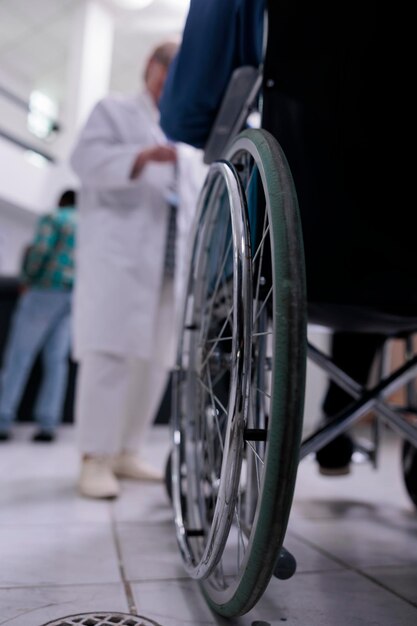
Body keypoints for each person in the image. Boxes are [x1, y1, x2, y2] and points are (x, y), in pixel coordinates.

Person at [159, 1, 414, 474]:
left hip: (312, 244)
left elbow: (184, 117)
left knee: (305, 221)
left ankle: (220, 434)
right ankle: (344, 411)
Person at [70, 40, 195, 500]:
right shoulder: (114, 110)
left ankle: (126, 449)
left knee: (154, 359)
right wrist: (140, 157)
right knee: (110, 355)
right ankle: (94, 457)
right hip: (120, 259)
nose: (170, 87)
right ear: (150, 67)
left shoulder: (183, 130)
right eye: (168, 74)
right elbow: (83, 161)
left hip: (167, 264)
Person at [0, 189, 77, 443]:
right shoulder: (87, 224)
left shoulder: (54, 218)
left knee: (19, 357)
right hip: (71, 295)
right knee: (56, 363)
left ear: (61, 201)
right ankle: (48, 424)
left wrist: (27, 279)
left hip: (44, 290)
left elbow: (40, 250)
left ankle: (3, 418)